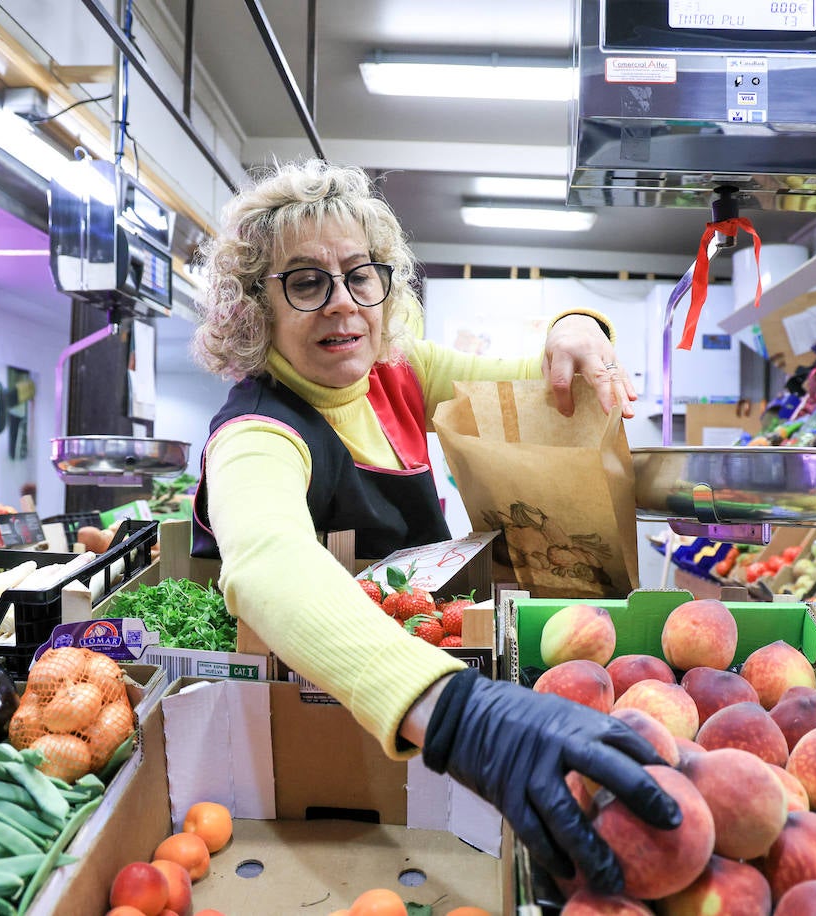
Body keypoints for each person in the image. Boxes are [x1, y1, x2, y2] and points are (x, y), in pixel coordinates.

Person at [188, 159, 679, 895]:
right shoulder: (256, 433)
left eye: (362, 274)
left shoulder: (401, 372)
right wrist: (461, 716)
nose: (343, 305)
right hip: (314, 723)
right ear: (257, 306)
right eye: (305, 281)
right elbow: (267, 563)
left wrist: (579, 326)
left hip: (429, 699)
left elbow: (542, 381)